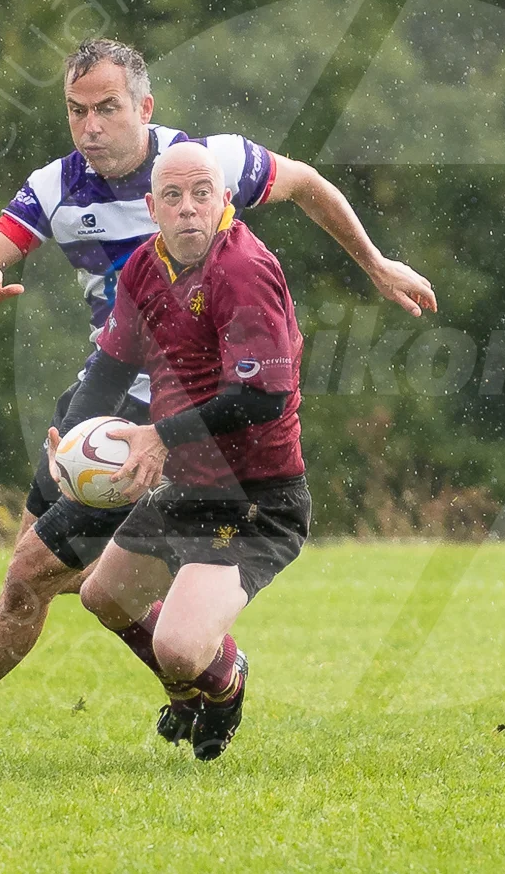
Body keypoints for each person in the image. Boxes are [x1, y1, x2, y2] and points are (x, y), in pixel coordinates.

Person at [0, 39, 432, 756]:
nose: (90, 127)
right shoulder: (57, 188)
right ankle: (206, 672)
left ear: (144, 108)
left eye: (107, 109)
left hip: (183, 418)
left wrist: (374, 263)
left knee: (36, 575)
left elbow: (305, 182)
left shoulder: (205, 164)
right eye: (76, 111)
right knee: (36, 581)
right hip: (102, 398)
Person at [55, 140, 310, 761]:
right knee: (104, 596)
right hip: (190, 486)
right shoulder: (144, 267)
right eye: (173, 196)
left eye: (203, 193)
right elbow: (109, 369)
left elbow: (260, 398)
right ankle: (191, 693)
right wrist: (70, 437)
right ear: (152, 207)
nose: (189, 208)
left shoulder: (243, 268)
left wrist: (158, 436)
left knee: (178, 647)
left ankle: (221, 687)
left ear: (224, 200)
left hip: (256, 499)